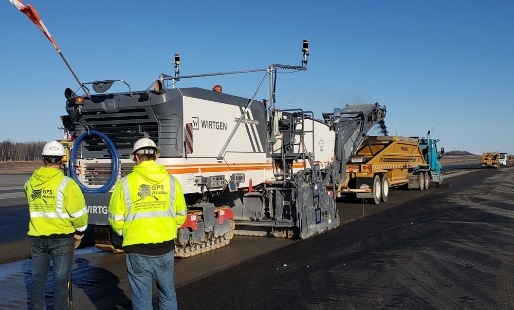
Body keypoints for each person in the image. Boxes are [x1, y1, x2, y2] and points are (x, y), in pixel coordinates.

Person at [108, 137, 187, 310]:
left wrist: (125, 233)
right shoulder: (172, 182)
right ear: (155, 157)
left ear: (136, 158)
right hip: (165, 247)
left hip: (136, 249)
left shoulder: (125, 184)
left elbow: (115, 219)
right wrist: (168, 228)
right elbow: (181, 215)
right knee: (167, 294)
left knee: (142, 300)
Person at [24, 140, 88, 310]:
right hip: (62, 239)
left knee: (37, 280)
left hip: (37, 239)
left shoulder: (30, 183)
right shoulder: (67, 184)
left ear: (44, 159)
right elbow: (79, 215)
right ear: (62, 160)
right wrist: (79, 233)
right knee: (61, 282)